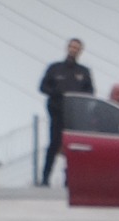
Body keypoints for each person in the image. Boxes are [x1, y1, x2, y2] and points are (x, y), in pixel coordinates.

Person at [38, 37, 95, 186]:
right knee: (54, 144)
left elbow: (90, 92)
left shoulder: (83, 72)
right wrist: (56, 92)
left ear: (80, 51)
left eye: (76, 48)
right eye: (71, 47)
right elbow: (43, 87)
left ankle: (70, 180)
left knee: (73, 148)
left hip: (75, 117)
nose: (73, 50)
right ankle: (45, 178)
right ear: (67, 48)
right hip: (57, 114)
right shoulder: (55, 68)